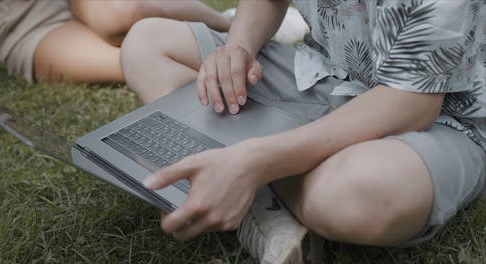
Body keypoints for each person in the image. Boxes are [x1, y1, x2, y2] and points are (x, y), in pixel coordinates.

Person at [121, 0, 486, 263]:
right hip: (323, 74)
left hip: (437, 118)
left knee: (362, 192)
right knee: (148, 43)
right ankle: (266, 206)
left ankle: (249, 179)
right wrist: (238, 47)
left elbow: (411, 105)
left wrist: (258, 158)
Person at [0, 0, 231, 84]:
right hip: (20, 21)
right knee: (142, 61)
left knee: (122, 12)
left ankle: (230, 24)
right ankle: (235, 48)